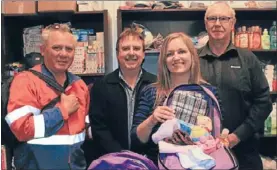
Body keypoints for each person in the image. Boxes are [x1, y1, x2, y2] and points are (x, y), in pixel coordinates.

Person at [198, 2, 272, 170]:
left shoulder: (247, 59)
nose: (217, 23)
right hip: (201, 155)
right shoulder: (194, 60)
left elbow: (263, 102)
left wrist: (237, 136)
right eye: (212, 18)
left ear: (232, 23)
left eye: (223, 18)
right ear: (205, 23)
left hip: (244, 152)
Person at [5, 23, 90, 169]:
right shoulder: (25, 81)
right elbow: (21, 130)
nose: (63, 54)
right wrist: (62, 111)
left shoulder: (80, 86)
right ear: (43, 50)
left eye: (69, 49)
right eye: (56, 48)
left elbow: (84, 130)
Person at [131, 32, 216, 164]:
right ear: (164, 61)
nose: (176, 57)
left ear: (192, 56)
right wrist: (152, 119)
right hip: (158, 165)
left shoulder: (209, 93)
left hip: (199, 165)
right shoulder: (151, 92)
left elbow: (217, 135)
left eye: (181, 51)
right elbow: (136, 141)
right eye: (169, 54)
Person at [89, 27, 156, 159]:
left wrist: (146, 157)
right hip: (112, 161)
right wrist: (120, 156)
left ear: (144, 54)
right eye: (125, 49)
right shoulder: (101, 86)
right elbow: (99, 128)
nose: (131, 53)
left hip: (148, 161)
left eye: (136, 48)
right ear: (117, 53)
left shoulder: (156, 85)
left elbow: (158, 128)